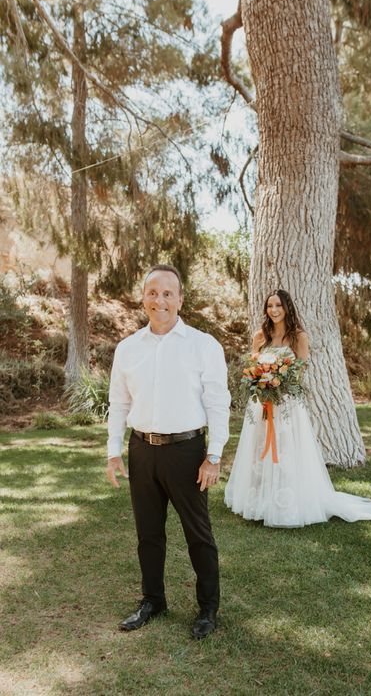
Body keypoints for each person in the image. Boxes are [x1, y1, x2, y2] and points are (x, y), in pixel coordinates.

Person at [106, 264, 230, 639]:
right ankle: (153, 600)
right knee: (148, 533)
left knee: (198, 534)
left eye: (167, 293)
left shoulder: (204, 345)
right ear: (143, 298)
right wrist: (114, 451)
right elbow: (119, 402)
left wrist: (214, 455)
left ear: (180, 299)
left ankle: (208, 608)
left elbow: (218, 403)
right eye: (152, 292)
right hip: (142, 450)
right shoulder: (127, 348)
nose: (159, 300)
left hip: (187, 451)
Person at [224, 289, 371, 527]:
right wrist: (261, 382)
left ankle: (284, 504)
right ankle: (258, 502)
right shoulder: (259, 337)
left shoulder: (299, 337)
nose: (273, 310)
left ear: (287, 308)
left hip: (287, 404)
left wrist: (277, 382)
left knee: (286, 449)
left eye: (278, 306)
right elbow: (253, 367)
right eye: (270, 306)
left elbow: (299, 372)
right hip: (262, 403)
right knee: (259, 448)